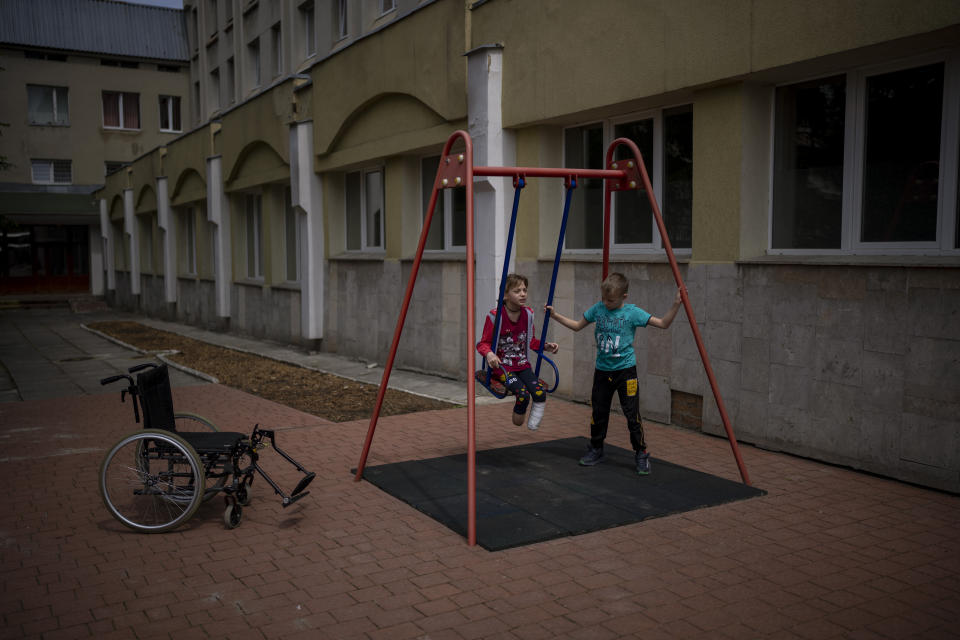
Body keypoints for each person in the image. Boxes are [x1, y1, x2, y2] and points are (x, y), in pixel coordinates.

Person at [547, 273, 682, 475]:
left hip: (626, 372)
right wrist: (555, 316)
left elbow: (663, 323)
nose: (605, 303)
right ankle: (596, 448)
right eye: (603, 298)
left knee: (631, 414)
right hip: (602, 371)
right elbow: (576, 326)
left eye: (610, 300)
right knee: (598, 412)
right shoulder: (598, 309)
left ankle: (641, 453)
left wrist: (676, 304)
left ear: (624, 297)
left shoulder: (632, 313)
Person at [477, 273, 559, 431]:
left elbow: (530, 342)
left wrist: (546, 346)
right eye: (517, 291)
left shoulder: (528, 314)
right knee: (523, 394)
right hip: (502, 368)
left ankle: (533, 422)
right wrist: (489, 354)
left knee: (540, 392)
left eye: (525, 290)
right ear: (506, 295)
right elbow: (482, 344)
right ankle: (520, 410)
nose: (523, 294)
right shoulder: (495, 317)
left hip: (522, 365)